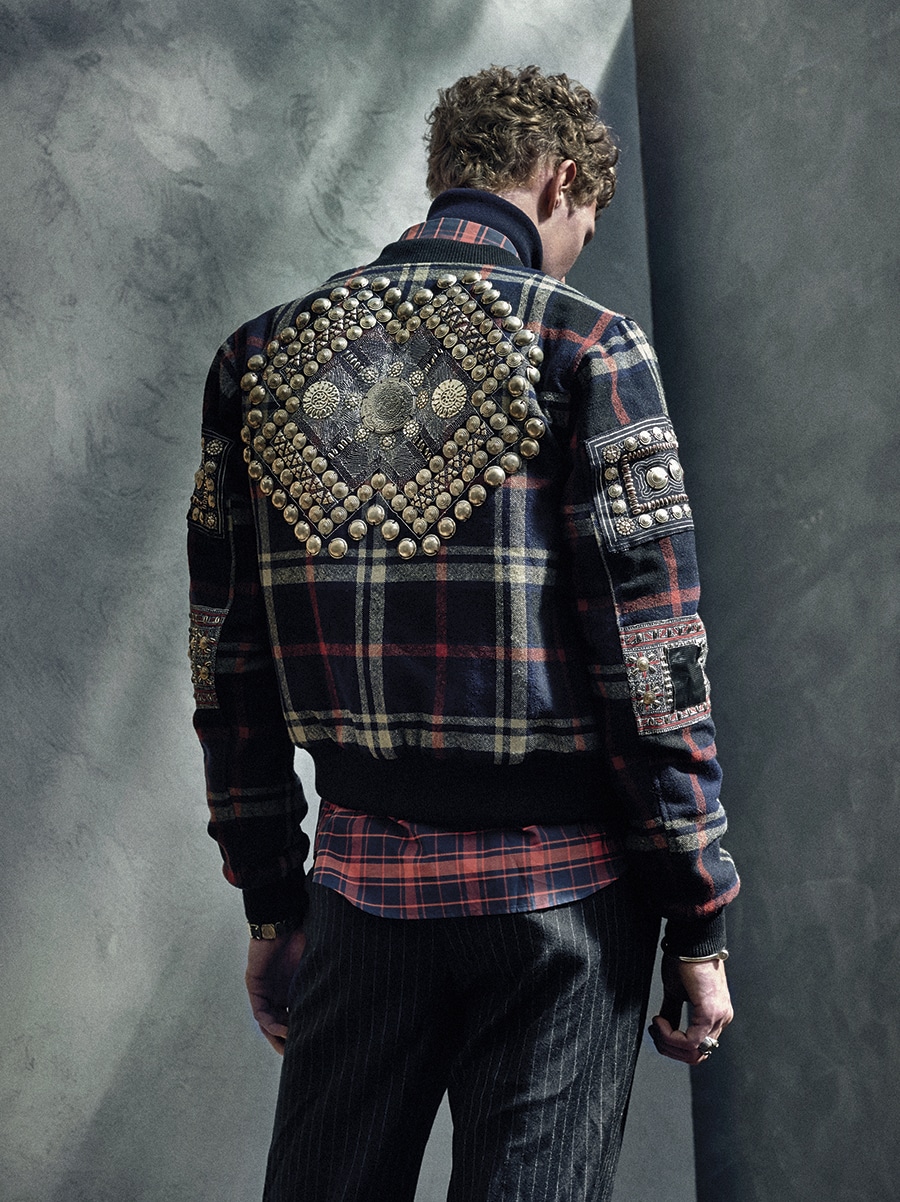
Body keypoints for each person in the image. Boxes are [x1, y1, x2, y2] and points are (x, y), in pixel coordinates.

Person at [187, 64, 739, 1202]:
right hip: (562, 903)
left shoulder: (258, 358)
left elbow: (225, 664)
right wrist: (698, 913)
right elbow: (656, 664)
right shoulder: (591, 347)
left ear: (449, 174)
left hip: (358, 889)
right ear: (562, 181)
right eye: (585, 223)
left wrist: (272, 895)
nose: (573, 250)